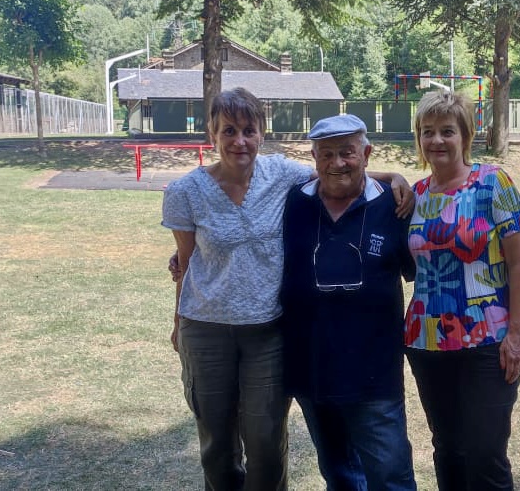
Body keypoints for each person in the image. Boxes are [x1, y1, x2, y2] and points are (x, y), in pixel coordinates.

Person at [162, 88, 413, 491]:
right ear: (212, 134)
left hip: (267, 331)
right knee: (217, 445)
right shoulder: (184, 192)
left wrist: (392, 177)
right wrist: (178, 324)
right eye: (229, 130)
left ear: (261, 134)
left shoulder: (280, 175)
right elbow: (186, 264)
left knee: (265, 443)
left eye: (248, 130)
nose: (239, 141)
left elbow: (336, 168)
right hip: (206, 330)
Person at [280, 114, 417, 491]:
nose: (337, 162)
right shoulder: (295, 202)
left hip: (374, 374)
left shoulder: (394, 205)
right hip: (312, 370)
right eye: (326, 154)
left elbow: (421, 270)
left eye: (347, 152)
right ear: (314, 157)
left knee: (391, 479)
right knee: (339, 476)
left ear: (367, 154)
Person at [405, 91, 520, 490]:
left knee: (485, 452)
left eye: (447, 131)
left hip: (488, 340)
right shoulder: (415, 195)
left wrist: (516, 334)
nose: (437, 140)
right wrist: (391, 177)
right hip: (427, 340)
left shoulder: (493, 183)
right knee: (448, 449)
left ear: (464, 136)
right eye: (428, 132)